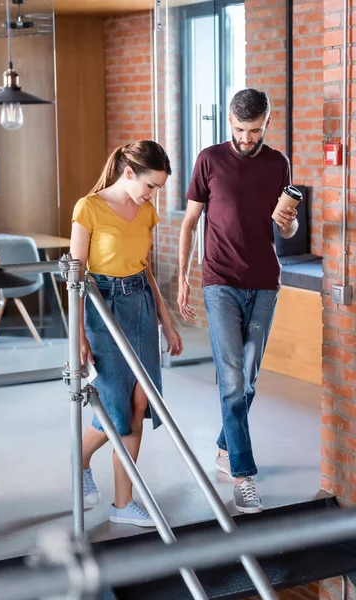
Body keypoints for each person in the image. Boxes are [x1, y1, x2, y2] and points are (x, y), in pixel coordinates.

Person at [177, 88, 298, 514]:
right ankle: (244, 475)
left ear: (268, 121)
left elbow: (283, 231)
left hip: (265, 282)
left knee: (247, 379)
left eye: (255, 130)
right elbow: (191, 223)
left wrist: (288, 222)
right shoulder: (209, 160)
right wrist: (184, 277)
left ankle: (225, 446)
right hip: (220, 282)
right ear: (229, 121)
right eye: (240, 130)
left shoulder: (278, 163)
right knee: (231, 377)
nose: (247, 138)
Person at [70, 140, 183, 528]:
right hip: (104, 310)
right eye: (150, 186)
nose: (152, 195)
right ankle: (80, 459)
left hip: (141, 306)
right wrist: (78, 336)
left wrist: (166, 321)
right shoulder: (89, 208)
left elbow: (145, 269)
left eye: (158, 189)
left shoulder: (146, 211)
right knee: (116, 407)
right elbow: (76, 278)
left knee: (139, 403)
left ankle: (123, 503)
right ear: (129, 173)